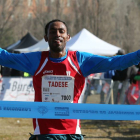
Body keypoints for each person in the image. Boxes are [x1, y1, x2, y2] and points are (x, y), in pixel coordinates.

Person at [1, 19, 140, 140]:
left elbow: (114, 62)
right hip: (45, 132)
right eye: (53, 31)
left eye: (61, 31)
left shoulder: (80, 60)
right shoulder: (36, 60)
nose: (57, 35)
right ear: (45, 37)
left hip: (72, 132)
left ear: (68, 37)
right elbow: (5, 57)